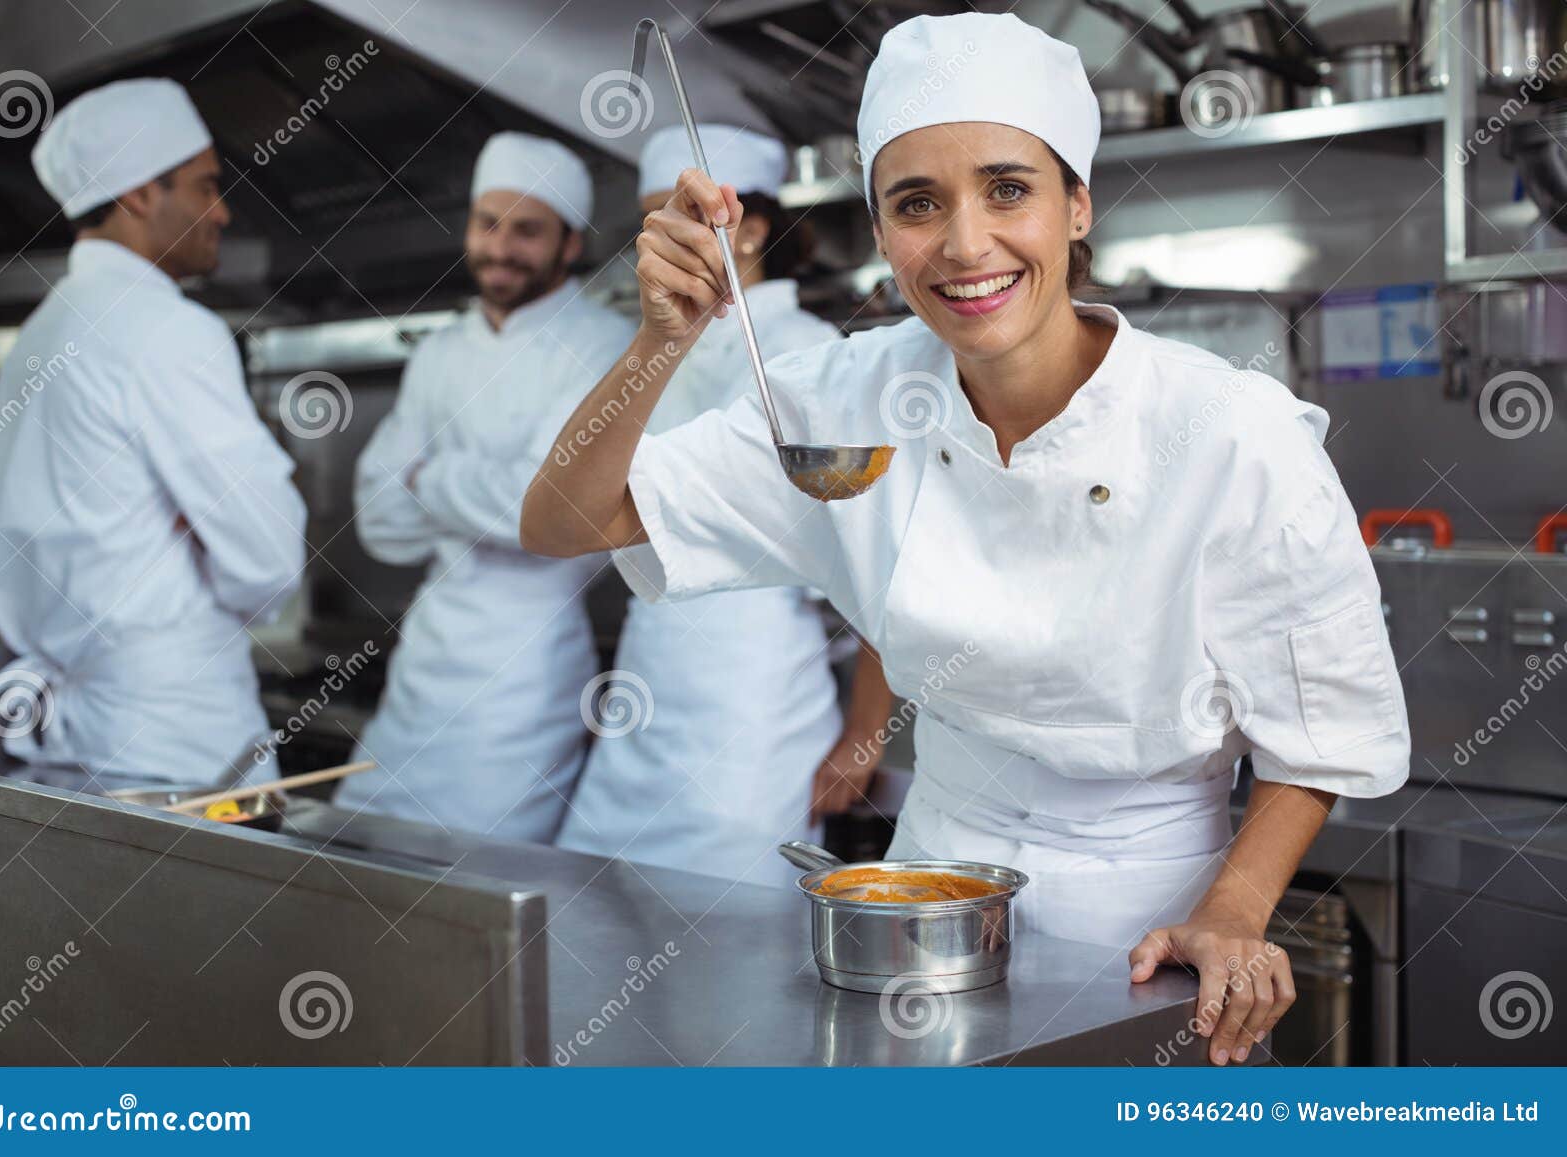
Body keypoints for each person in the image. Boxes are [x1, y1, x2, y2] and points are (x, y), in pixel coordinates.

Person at [521, 13, 1411, 1066]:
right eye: (916, 203)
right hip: (924, 908)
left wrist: (1235, 906)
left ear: (1075, 205)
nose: (963, 244)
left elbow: (1320, 736)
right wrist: (657, 341)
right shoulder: (846, 397)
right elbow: (564, 522)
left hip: (1145, 923)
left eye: (1006, 188)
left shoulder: (1228, 431)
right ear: (882, 228)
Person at [555, 125, 892, 885]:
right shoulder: (652, 347)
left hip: (753, 712)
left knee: (726, 953)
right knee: (595, 926)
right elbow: (563, 517)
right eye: (651, 220)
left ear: (756, 228)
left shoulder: (811, 352)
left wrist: (865, 737)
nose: (661, 238)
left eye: (681, 214)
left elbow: (883, 560)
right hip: (646, 691)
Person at [0, 78, 305, 786]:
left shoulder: (37, 335)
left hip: (70, 735)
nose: (221, 210)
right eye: (205, 185)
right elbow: (268, 554)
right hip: (179, 743)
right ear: (138, 193)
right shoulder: (170, 329)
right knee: (218, 900)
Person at [333, 133, 635, 839]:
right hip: (419, 674)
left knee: (474, 890)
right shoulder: (438, 352)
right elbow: (378, 522)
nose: (501, 247)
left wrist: (425, 478)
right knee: (360, 867)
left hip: (523, 684)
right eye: (487, 223)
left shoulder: (604, 346)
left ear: (569, 244)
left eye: (527, 230)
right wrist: (485, 493)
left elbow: (552, 513)